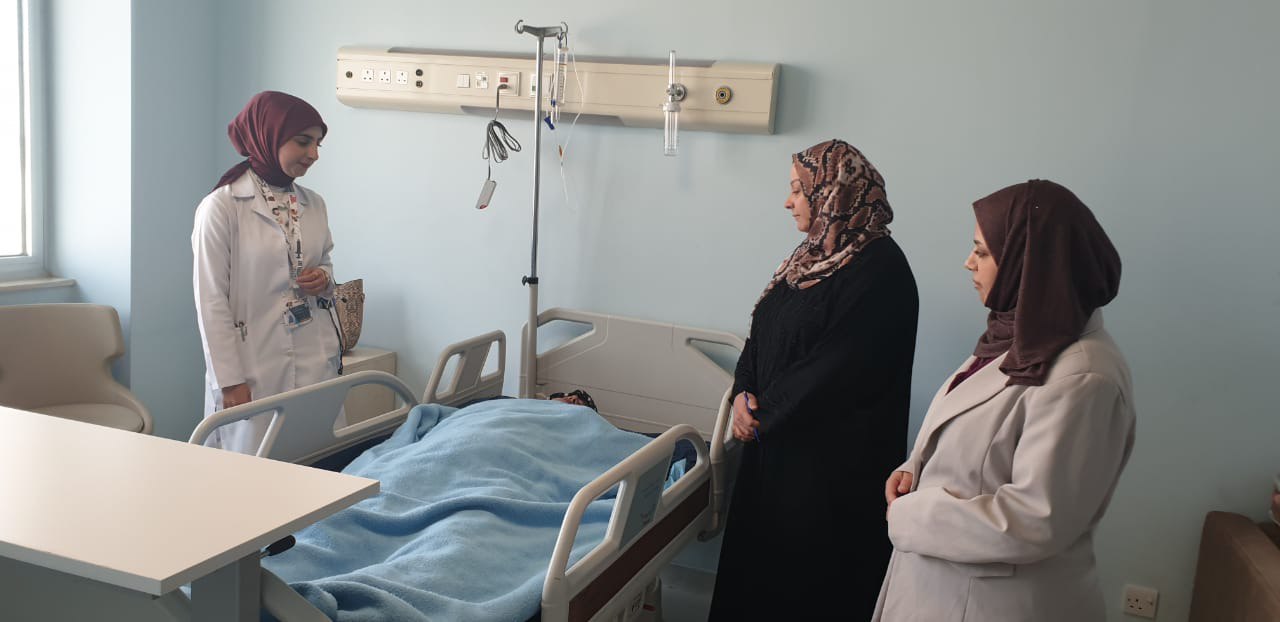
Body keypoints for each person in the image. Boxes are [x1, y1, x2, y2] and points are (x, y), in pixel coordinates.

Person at [875, 180, 1136, 621]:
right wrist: (915, 468)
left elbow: (1037, 519)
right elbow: (971, 440)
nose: (968, 262)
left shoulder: (1084, 377)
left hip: (990, 604)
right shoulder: (1015, 337)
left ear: (1029, 263)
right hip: (944, 587)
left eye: (981, 251)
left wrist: (913, 514)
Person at [709, 139, 919, 619]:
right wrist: (742, 393)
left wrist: (761, 417)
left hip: (828, 476)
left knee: (808, 593)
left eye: (798, 190)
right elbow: (760, 333)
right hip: (772, 458)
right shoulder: (808, 258)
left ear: (833, 192)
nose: (788, 202)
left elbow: (837, 368)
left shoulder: (880, 270)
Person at [193, 91, 341, 455]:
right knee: (252, 472)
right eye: (303, 141)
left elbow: (325, 261)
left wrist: (324, 278)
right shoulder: (222, 207)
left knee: (316, 462)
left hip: (313, 355)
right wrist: (230, 381)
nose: (314, 154)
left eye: (318, 143)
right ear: (268, 135)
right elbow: (210, 300)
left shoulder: (313, 204)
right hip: (253, 365)